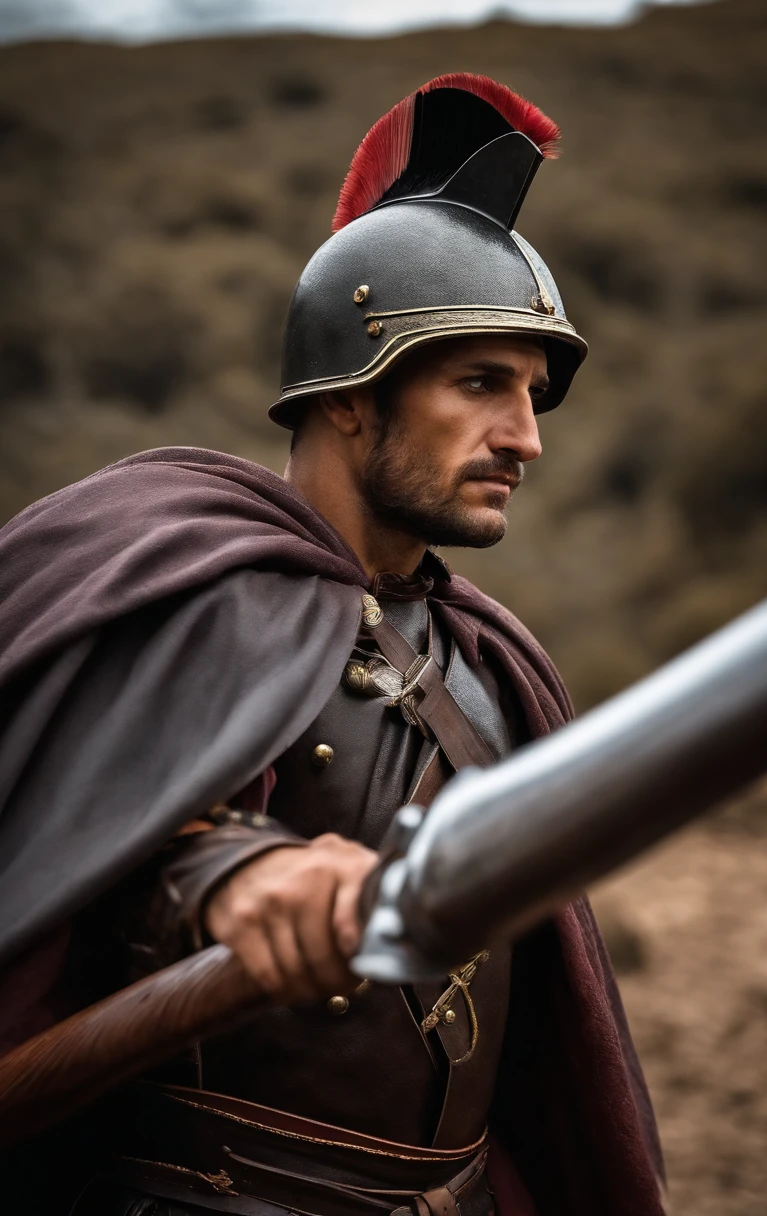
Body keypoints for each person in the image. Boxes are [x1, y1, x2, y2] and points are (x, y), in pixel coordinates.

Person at [0, 75, 665, 1215]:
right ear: (351, 395)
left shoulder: (486, 652)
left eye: (535, 395)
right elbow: (132, 832)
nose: (525, 437)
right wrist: (240, 876)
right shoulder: (192, 585)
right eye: (480, 384)